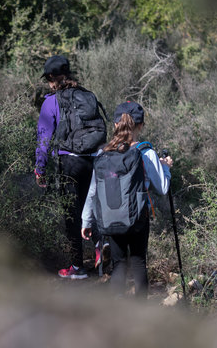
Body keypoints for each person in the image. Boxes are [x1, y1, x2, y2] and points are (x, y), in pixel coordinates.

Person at [81, 101, 173, 298]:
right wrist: (165, 167)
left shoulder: (102, 153)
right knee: (139, 261)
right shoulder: (145, 152)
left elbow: (92, 191)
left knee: (118, 263)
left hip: (111, 216)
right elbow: (163, 188)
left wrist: (86, 220)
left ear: (115, 125)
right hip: (139, 216)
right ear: (140, 125)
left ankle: (117, 314)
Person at [35, 55, 108, 279]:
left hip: (70, 162)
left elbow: (44, 137)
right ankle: (100, 245)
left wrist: (40, 167)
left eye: (48, 80)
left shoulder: (52, 101)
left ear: (52, 78)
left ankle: (77, 268)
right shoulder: (86, 95)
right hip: (94, 160)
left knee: (71, 214)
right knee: (92, 209)